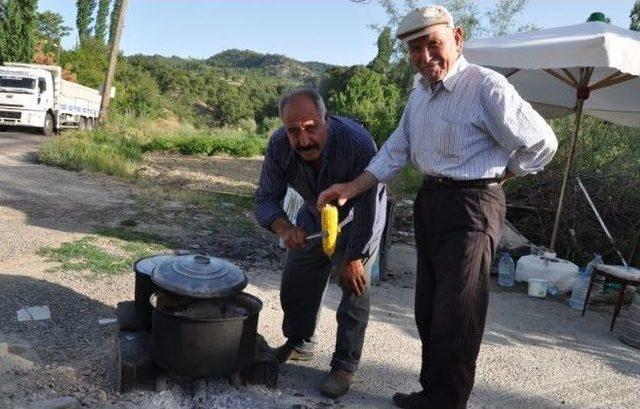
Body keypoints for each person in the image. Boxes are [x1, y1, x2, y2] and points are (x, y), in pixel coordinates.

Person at [317, 6, 558, 409]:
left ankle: (447, 403)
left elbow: (542, 143)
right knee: (429, 309)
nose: (425, 56)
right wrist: (350, 188)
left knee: (458, 313)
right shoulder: (420, 95)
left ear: (457, 39)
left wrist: (499, 177)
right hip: (432, 201)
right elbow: (396, 150)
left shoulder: (485, 86)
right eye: (415, 49)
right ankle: (432, 394)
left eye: (434, 44)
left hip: (473, 206)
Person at [255, 88, 387, 398]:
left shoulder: (357, 143)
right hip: (314, 217)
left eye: (312, 127)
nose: (303, 140)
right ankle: (300, 342)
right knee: (295, 283)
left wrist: (356, 256)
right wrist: (284, 228)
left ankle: (344, 365)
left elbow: (372, 205)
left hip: (358, 221)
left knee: (355, 288)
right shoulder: (278, 145)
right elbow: (265, 199)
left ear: (326, 119)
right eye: (293, 131)